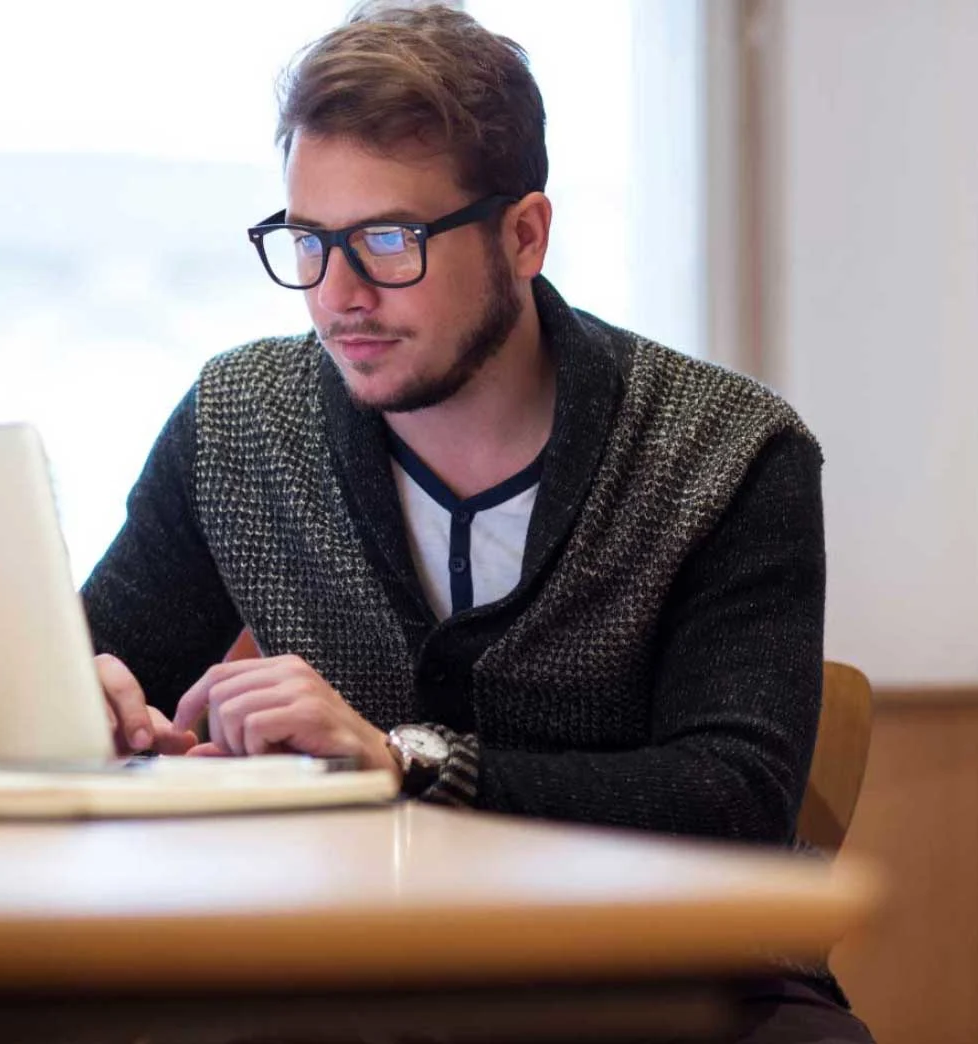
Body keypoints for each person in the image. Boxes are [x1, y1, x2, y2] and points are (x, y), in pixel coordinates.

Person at [81, 4, 874, 1041]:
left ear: (524, 234)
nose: (339, 295)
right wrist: (80, 697)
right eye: (308, 241)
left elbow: (731, 799)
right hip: (346, 957)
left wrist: (403, 762)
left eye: (388, 239)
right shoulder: (240, 424)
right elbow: (99, 660)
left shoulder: (726, 451)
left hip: (668, 966)